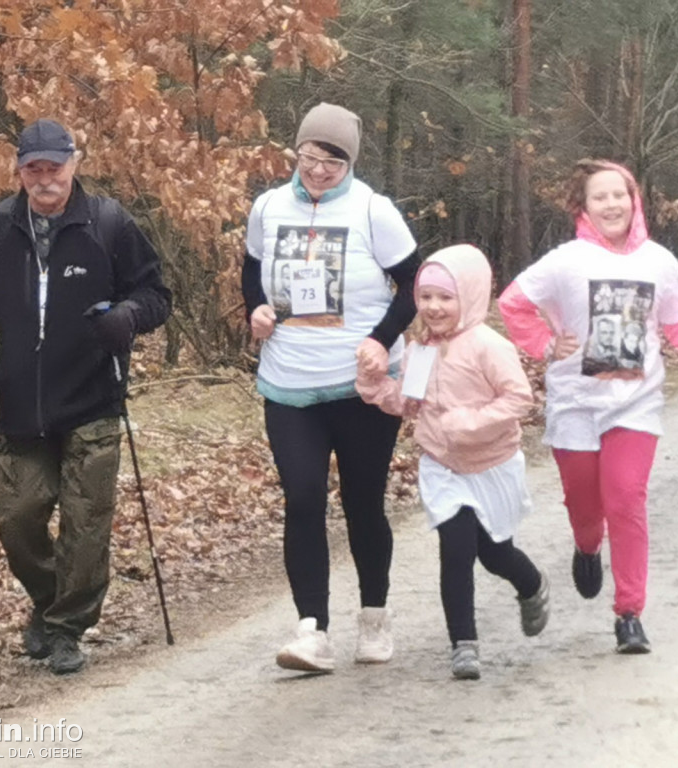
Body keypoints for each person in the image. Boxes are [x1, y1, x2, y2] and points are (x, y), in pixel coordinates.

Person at [0, 118, 172, 674]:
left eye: (55, 168)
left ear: (74, 164)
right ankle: (48, 602)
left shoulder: (108, 223)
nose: (45, 180)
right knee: (17, 517)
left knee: (86, 524)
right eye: (34, 170)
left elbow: (156, 294)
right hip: (19, 404)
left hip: (93, 396)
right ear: (20, 171)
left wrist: (127, 317)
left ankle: (69, 628)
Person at [498, 159, 678, 654]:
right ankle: (587, 548)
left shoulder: (658, 262)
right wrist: (544, 343)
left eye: (620, 195)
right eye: (600, 196)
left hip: (635, 402)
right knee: (587, 509)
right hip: (576, 404)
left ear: (635, 201)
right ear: (582, 206)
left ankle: (630, 613)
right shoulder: (564, 261)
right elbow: (512, 303)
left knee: (626, 500)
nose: (612, 205)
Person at [242, 102, 420, 673]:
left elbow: (416, 284)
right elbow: (252, 270)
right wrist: (256, 311)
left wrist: (380, 337)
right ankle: (311, 630)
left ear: (350, 164)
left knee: (363, 503)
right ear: (297, 152)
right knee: (302, 500)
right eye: (311, 156)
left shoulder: (374, 211)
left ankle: (374, 615)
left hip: (361, 385)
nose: (319, 170)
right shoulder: (268, 207)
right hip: (289, 381)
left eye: (333, 161)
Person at [357, 246, 549, 680]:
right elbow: (406, 402)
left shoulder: (489, 346)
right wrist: (372, 382)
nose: (433, 307)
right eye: (425, 298)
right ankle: (464, 644)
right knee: (456, 548)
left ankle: (531, 584)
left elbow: (520, 398)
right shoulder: (420, 349)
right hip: (442, 466)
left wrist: (471, 422)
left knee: (495, 554)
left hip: (493, 463)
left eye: (445, 297)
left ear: (471, 295)